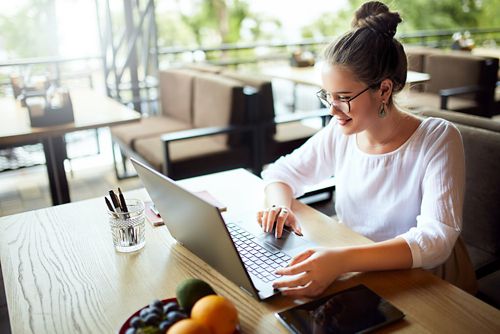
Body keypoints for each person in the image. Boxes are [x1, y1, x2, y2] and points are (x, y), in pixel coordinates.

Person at [256, 1, 473, 297]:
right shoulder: (340, 133)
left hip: (422, 280)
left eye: (343, 97)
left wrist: (341, 260)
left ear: (383, 90)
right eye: (327, 96)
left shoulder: (437, 139)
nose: (333, 110)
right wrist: (278, 206)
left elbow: (436, 240)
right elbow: (281, 172)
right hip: (355, 265)